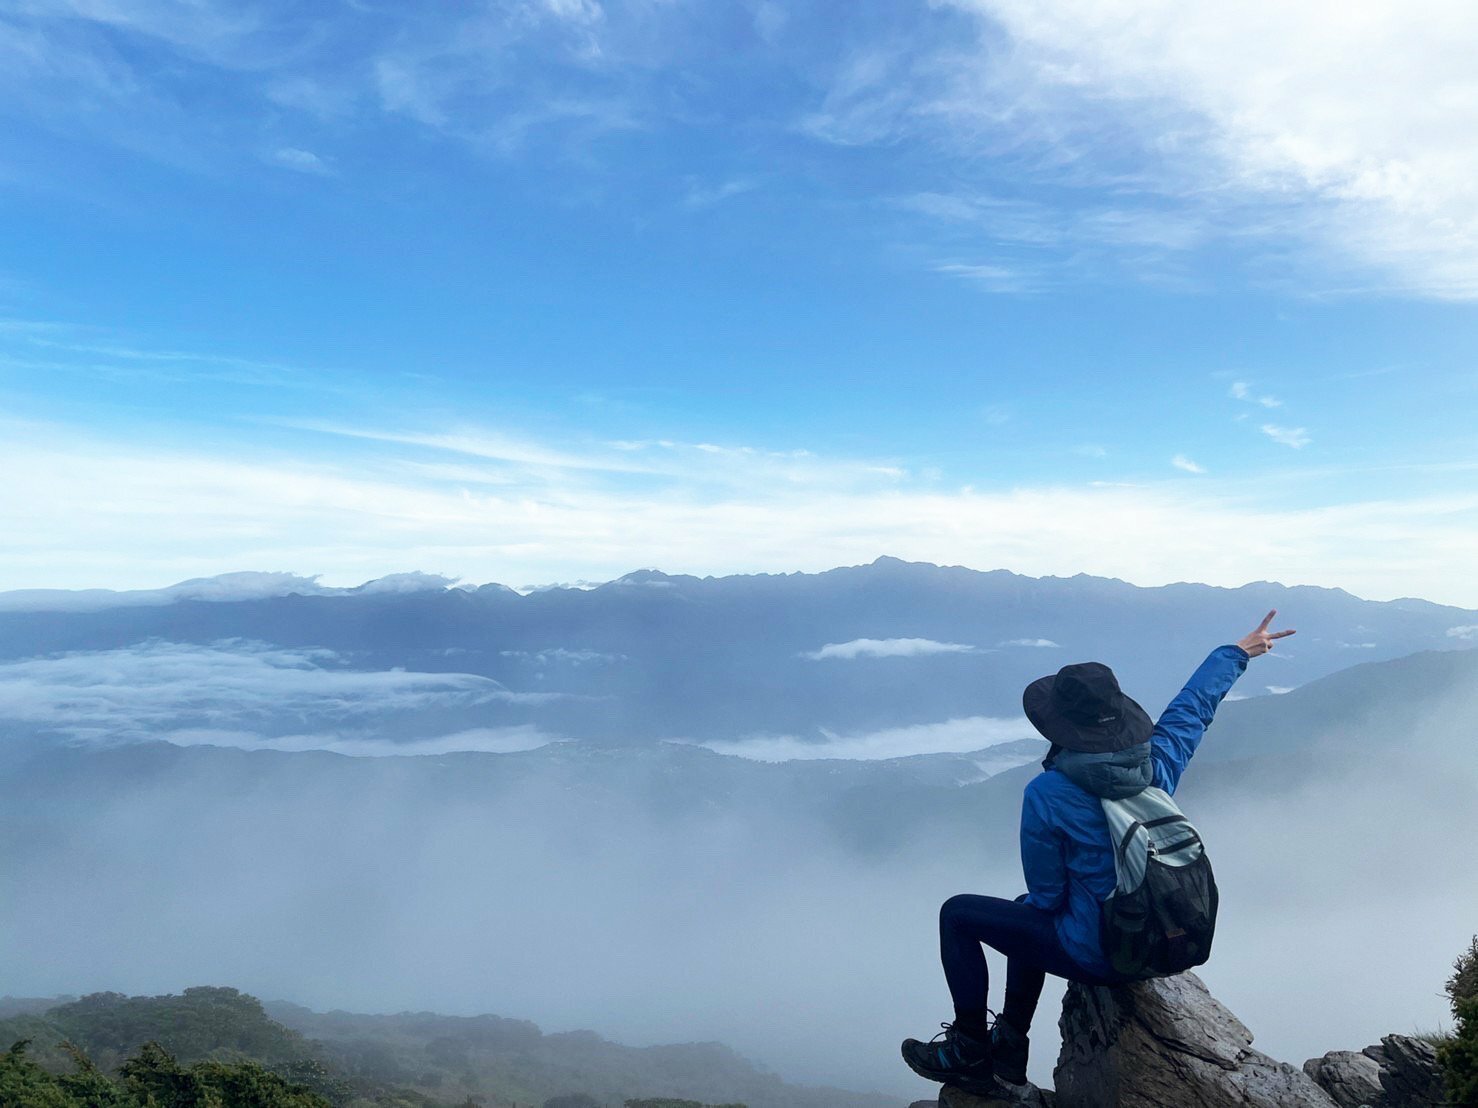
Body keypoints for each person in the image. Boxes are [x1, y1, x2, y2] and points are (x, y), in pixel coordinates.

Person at [901, 611, 1295, 1095]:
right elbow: (1193, 709)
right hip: (1172, 943)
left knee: (960, 914)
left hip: (1107, 956)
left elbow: (1048, 896)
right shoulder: (1159, 762)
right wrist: (1235, 654)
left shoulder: (1049, 794)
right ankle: (1007, 1048)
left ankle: (969, 1049)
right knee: (1025, 912)